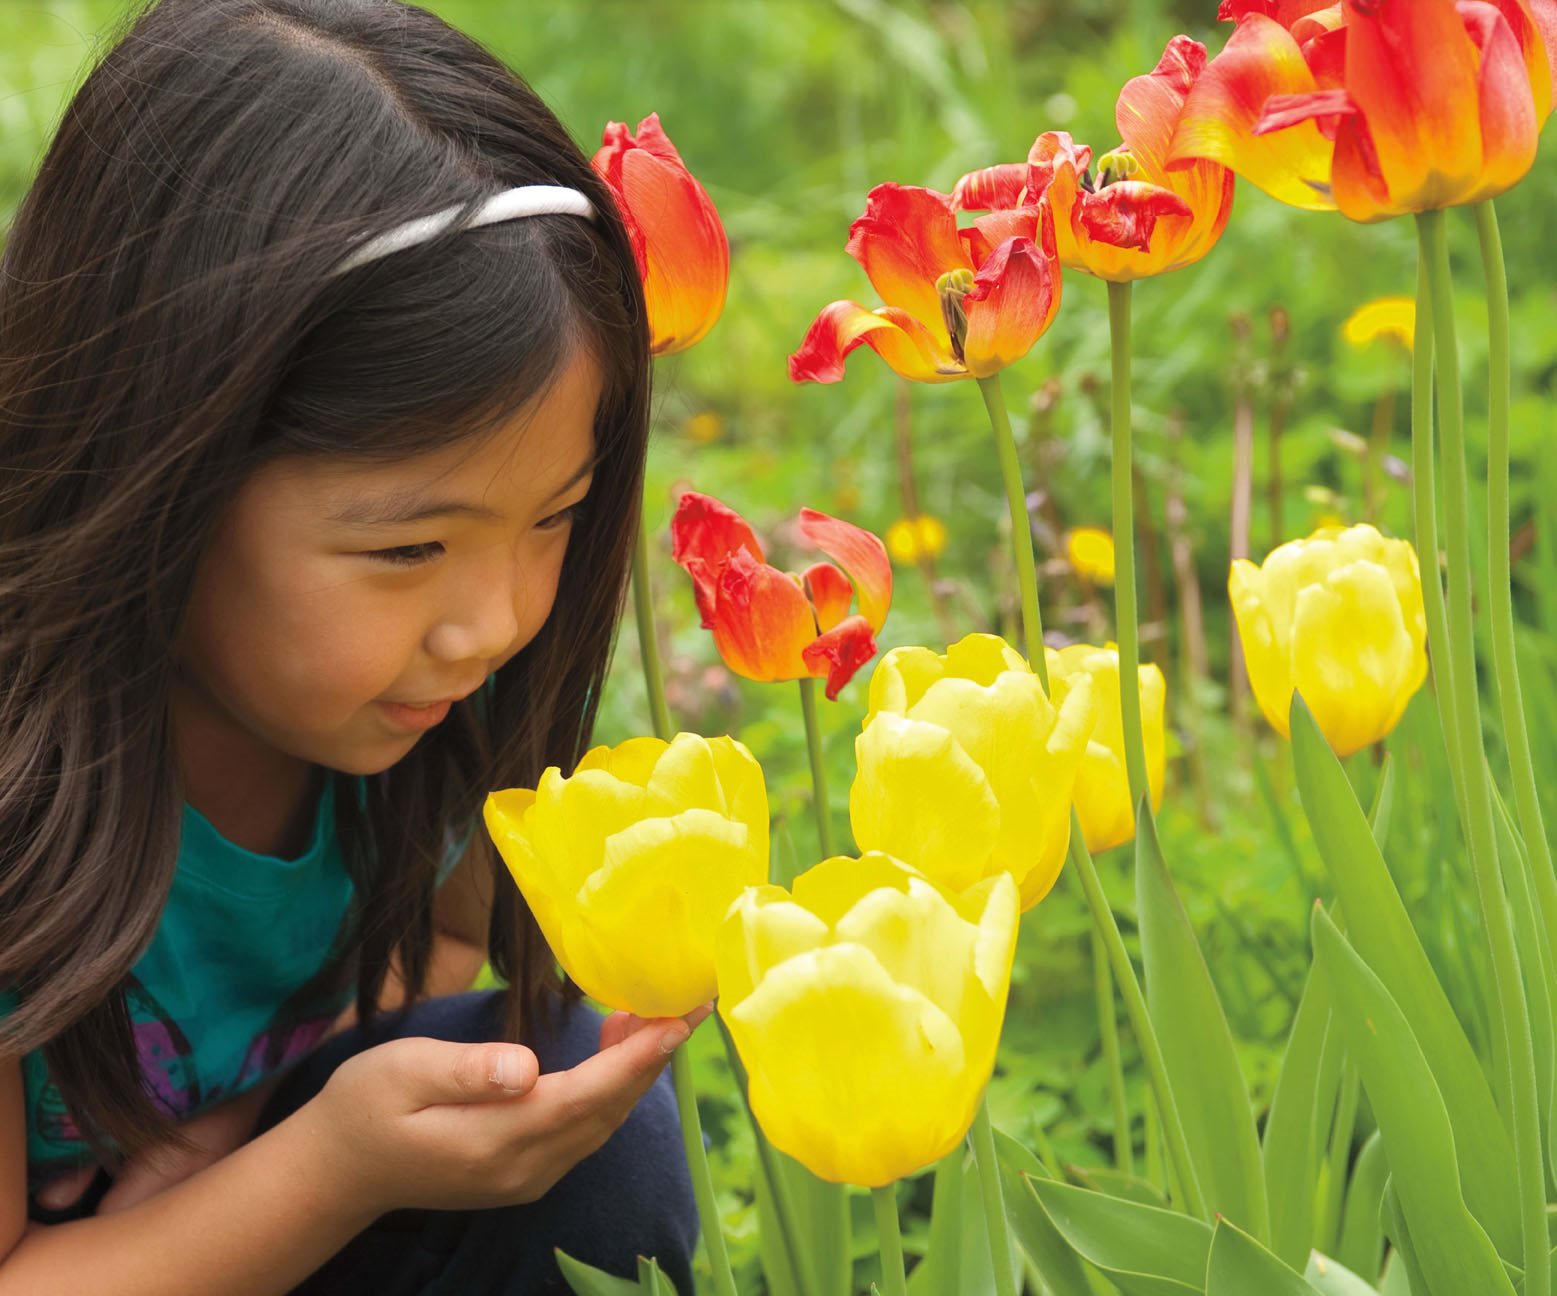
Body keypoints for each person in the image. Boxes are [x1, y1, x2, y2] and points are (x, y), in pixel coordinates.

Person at [0, 0, 705, 1290]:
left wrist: (228, 1147)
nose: (492, 624)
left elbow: (446, 943)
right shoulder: (22, 800)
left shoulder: (438, 700)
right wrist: (327, 1167)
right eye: (406, 549)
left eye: (555, 517)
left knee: (584, 1125)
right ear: (158, 476)